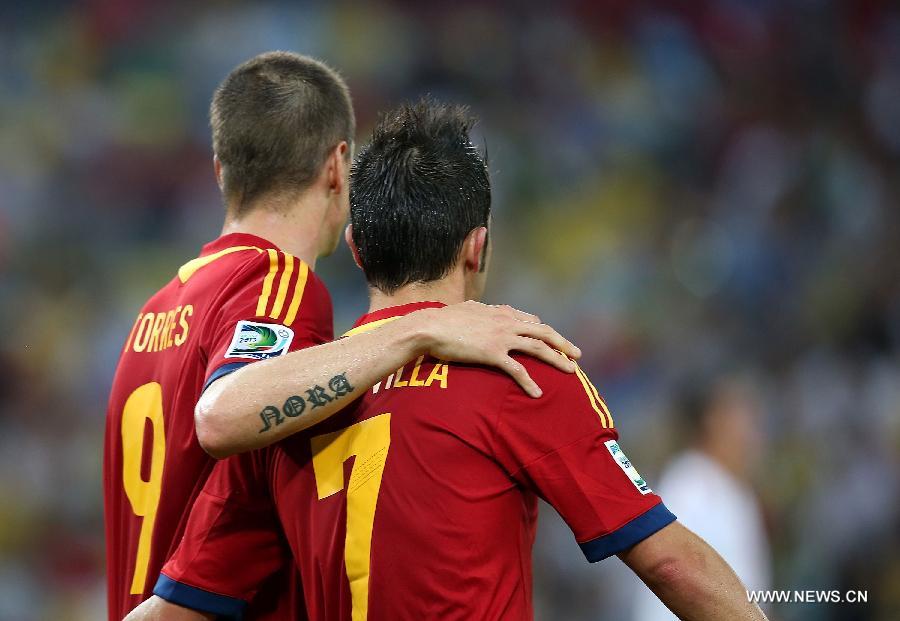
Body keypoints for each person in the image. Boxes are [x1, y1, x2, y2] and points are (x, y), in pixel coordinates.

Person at [127, 100, 768, 621]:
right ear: (477, 248)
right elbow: (670, 563)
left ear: (355, 248)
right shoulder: (520, 366)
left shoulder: (279, 405)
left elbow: (174, 611)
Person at [104, 54, 581, 621]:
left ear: (220, 171)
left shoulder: (153, 317)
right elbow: (225, 414)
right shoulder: (274, 280)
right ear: (338, 166)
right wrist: (420, 326)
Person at [632, 377, 772, 621]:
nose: (754, 432)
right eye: (744, 417)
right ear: (713, 420)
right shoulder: (689, 486)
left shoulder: (737, 492)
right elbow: (669, 574)